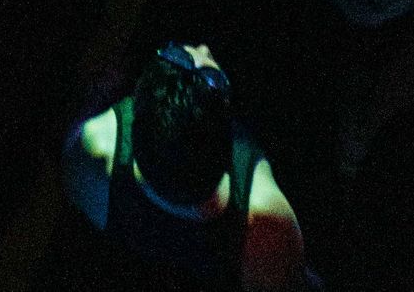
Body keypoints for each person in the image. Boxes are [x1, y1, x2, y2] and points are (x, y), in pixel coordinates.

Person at [64, 40, 307, 288]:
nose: (203, 48)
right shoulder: (267, 226)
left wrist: (96, 93)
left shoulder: (92, 154)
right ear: (226, 152)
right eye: (214, 79)